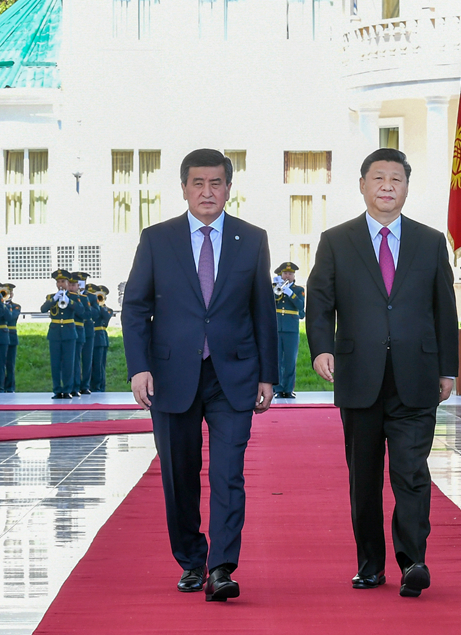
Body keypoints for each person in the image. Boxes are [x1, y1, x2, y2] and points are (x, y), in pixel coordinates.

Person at [121, 148, 278, 602]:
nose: (207, 192)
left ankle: (222, 567)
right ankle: (192, 560)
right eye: (198, 183)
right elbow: (136, 307)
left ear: (228, 188)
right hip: (171, 375)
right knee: (180, 475)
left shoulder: (252, 239)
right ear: (184, 188)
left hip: (234, 374)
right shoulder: (157, 239)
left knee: (229, 474)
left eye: (216, 183)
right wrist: (139, 368)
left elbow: (262, 310)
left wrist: (268, 374)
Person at [306, 148, 458, 598]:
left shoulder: (430, 241)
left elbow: (444, 309)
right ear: (362, 185)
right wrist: (321, 349)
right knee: (365, 477)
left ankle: (413, 562)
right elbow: (320, 302)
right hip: (359, 375)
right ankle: (370, 564)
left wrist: (448, 369)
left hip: (417, 376)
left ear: (407, 187)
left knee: (411, 472)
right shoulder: (337, 240)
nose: (387, 186)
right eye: (378, 178)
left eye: (396, 178)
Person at [41, 269, 78, 399]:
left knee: (68, 363)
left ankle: (67, 389)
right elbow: (43, 309)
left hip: (69, 332)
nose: (60, 284)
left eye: (63, 281)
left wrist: (69, 301)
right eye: (58, 282)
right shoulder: (51, 297)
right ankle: (57, 390)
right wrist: (54, 299)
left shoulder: (74, 297)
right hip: (55, 333)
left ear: (68, 283)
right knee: (55, 363)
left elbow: (83, 312)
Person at [272, 261, 305, 398]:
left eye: (290, 274)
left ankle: (288, 389)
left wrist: (290, 293)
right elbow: (270, 302)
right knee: (277, 360)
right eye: (285, 273)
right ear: (281, 274)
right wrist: (277, 287)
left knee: (290, 360)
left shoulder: (298, 290)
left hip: (291, 328)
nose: (287, 276)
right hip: (276, 327)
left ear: (294, 275)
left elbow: (300, 305)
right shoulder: (275, 287)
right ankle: (278, 389)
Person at [90, 285, 114, 392]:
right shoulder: (90, 308)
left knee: (99, 365)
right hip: (89, 337)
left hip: (100, 338)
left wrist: (100, 305)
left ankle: (99, 386)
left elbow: (106, 317)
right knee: (88, 364)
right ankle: (89, 386)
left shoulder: (107, 310)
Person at [2, 283, 20, 393]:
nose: (9, 294)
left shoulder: (16, 306)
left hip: (11, 337)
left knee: (10, 364)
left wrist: (4, 305)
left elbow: (11, 317)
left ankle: (10, 387)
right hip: (1, 336)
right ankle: (0, 386)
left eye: (10, 292)